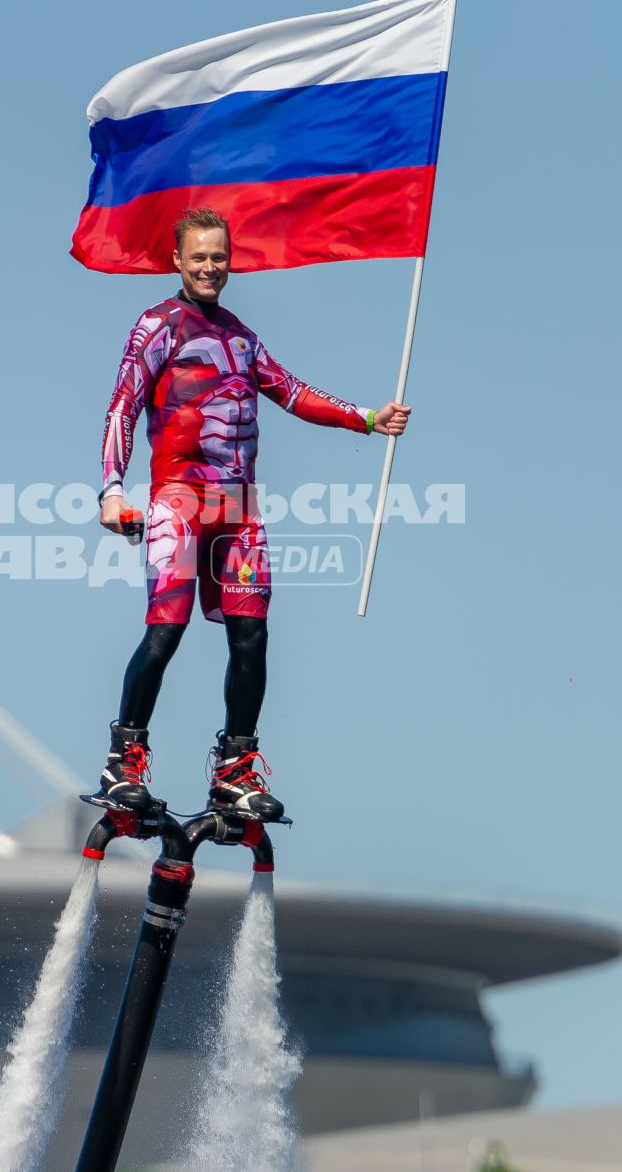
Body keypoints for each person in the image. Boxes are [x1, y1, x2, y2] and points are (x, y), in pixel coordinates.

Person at [89, 208, 409, 821]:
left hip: (239, 510)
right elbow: (122, 407)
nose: (210, 266)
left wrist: (367, 418)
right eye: (199, 256)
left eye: (219, 256)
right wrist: (110, 492)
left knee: (252, 634)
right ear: (178, 261)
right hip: (178, 501)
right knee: (166, 630)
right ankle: (122, 759)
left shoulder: (241, 336)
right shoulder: (157, 326)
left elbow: (292, 392)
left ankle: (235, 770)